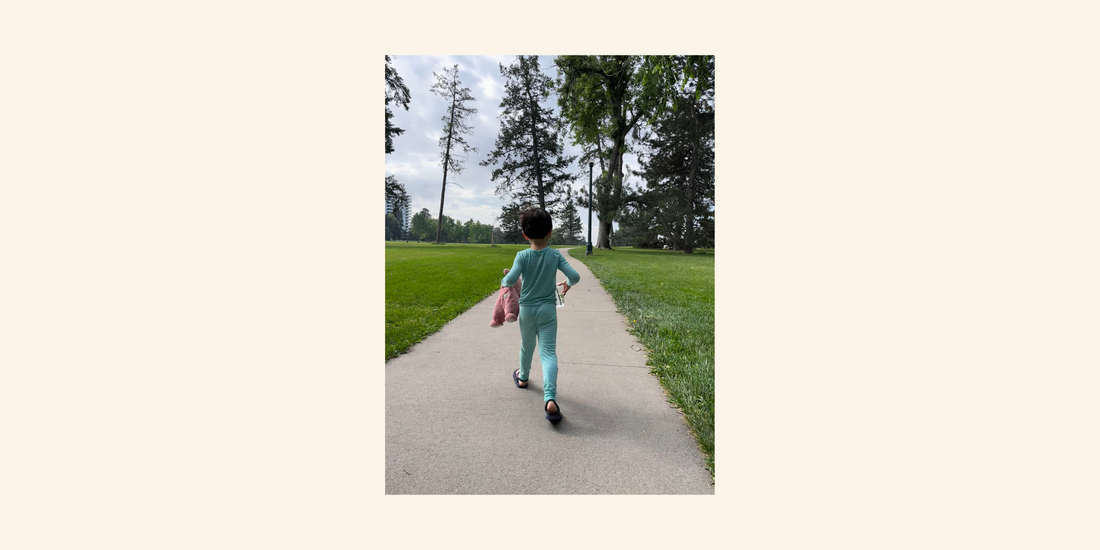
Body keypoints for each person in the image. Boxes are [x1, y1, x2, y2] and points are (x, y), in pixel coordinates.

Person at [501, 208, 580, 423]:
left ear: (525, 235)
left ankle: (523, 377)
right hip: (548, 311)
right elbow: (575, 276)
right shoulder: (555, 255)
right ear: (550, 232)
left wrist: (504, 280)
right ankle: (550, 398)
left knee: (527, 346)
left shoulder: (522, 256)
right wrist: (568, 283)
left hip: (527, 310)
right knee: (548, 353)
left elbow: (510, 280)